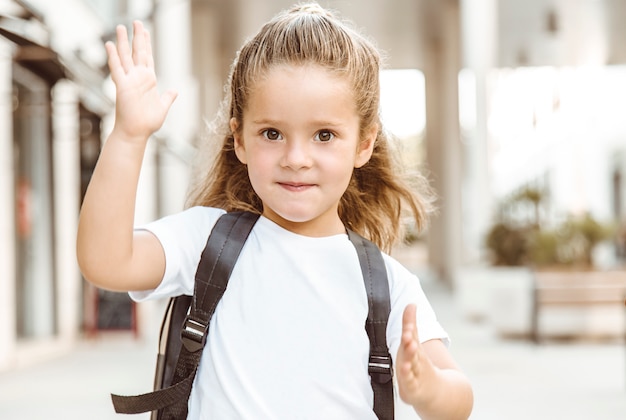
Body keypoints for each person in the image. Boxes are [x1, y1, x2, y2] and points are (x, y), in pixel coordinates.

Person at [76, 3, 473, 419]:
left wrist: (427, 387)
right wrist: (128, 136)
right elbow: (106, 262)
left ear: (364, 144)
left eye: (324, 135)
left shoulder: (388, 286)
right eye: (272, 133)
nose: (296, 157)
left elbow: (458, 399)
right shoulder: (207, 240)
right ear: (240, 140)